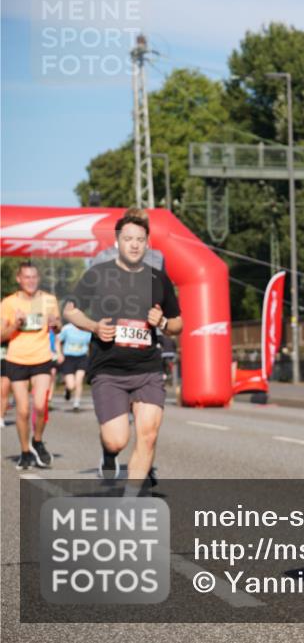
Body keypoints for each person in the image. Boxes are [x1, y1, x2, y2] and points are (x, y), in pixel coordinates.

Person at [63, 208, 182, 490]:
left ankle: (131, 501)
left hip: (147, 368)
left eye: (140, 239)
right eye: (128, 238)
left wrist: (163, 321)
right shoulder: (98, 274)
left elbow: (178, 323)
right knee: (117, 439)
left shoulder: (158, 278)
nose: (134, 244)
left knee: (148, 435)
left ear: (147, 242)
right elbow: (70, 310)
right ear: (118, 241)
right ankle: (109, 450)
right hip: (109, 368)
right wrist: (93, 326)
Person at [0, 262, 61, 469]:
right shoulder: (8, 303)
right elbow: (1, 336)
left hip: (42, 358)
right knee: (23, 411)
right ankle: (25, 451)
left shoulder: (48, 300)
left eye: (34, 277)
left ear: (38, 278)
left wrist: (55, 324)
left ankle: (37, 440)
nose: (31, 281)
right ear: (19, 279)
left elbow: (58, 327)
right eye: (26, 277)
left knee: (40, 405)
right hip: (17, 360)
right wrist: (15, 325)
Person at [57, 321, 92, 412]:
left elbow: (90, 344)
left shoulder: (87, 329)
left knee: (79, 380)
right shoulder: (67, 328)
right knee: (71, 385)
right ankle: (68, 389)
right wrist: (59, 354)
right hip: (69, 358)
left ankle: (76, 404)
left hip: (82, 357)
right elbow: (58, 341)